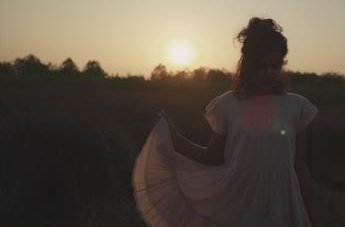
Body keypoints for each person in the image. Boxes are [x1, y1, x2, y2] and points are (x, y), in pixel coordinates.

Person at [132, 17, 320, 226]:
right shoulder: (228, 104)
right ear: (248, 64)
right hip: (238, 205)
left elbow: (301, 168)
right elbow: (213, 156)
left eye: (275, 66)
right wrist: (174, 138)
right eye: (261, 66)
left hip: (282, 207)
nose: (269, 73)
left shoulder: (297, 107)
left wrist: (315, 221)